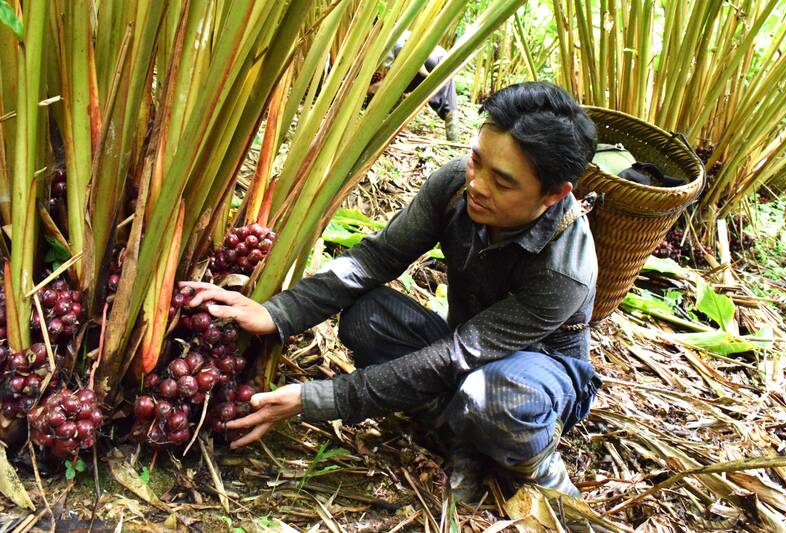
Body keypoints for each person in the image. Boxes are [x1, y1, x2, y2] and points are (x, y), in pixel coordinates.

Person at [183, 81, 600, 501]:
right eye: (477, 159)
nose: (478, 184)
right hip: (465, 353)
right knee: (367, 317)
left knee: (493, 395)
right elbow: (375, 259)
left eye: (503, 182)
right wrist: (278, 313)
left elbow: (459, 353)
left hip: (537, 378)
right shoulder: (456, 186)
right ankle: (458, 436)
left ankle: (537, 462)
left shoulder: (564, 270)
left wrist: (320, 399)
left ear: (553, 195)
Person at [370, 31, 460, 142]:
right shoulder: (400, 31)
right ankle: (454, 138)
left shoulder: (388, 37)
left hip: (424, 60)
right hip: (443, 57)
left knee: (390, 86)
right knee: (448, 102)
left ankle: (387, 122)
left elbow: (408, 56)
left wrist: (427, 76)